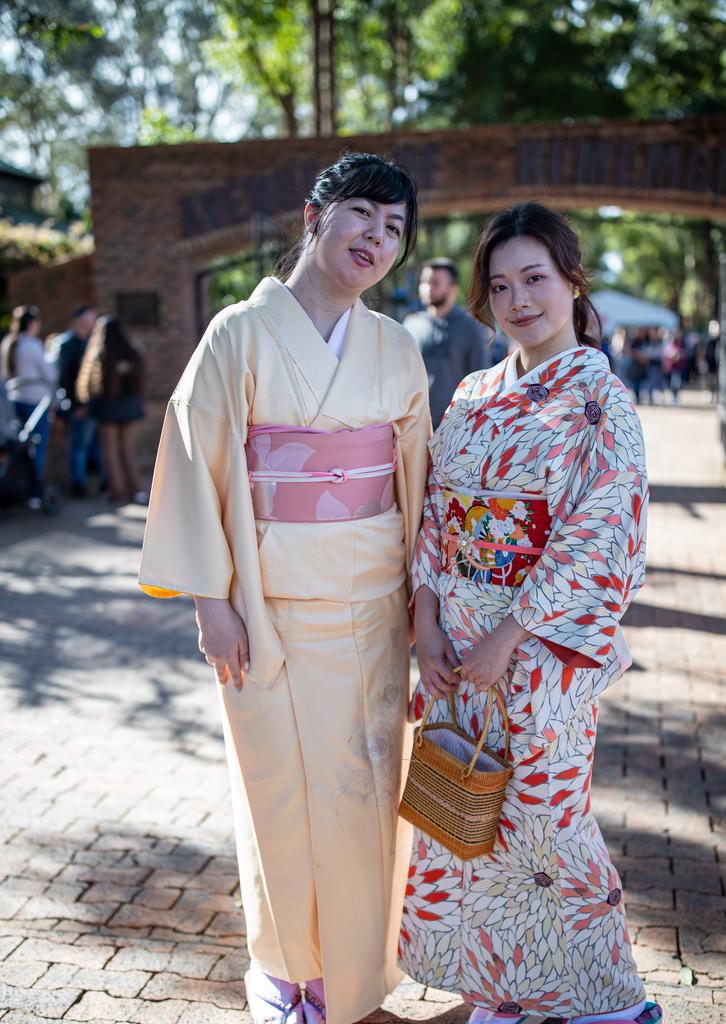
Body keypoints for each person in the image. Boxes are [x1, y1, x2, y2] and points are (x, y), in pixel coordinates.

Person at [138, 152, 431, 1024]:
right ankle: (288, 972)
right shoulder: (238, 332)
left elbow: (416, 480)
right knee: (279, 790)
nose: (377, 240)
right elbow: (199, 461)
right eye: (363, 217)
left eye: (395, 230)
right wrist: (211, 602)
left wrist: (426, 607)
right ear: (314, 218)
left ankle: (359, 976)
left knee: (370, 791)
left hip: (375, 606)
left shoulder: (395, 343)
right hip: (269, 611)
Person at [400, 202, 661, 1024]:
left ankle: (610, 1005)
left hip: (544, 647)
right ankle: (499, 990)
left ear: (571, 281)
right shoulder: (476, 391)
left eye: (535, 280)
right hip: (458, 644)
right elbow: (440, 512)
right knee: (467, 815)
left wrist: (510, 636)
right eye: (501, 284)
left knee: (548, 821)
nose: (519, 301)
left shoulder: (600, 400)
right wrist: (428, 620)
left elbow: (599, 536)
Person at [404, 257, 490, 428]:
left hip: (455, 427)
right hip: (414, 426)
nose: (427, 288)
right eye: (424, 282)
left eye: (435, 283)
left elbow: (481, 382)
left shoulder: (470, 328)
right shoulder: (410, 325)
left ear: (453, 289)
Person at [76, 316, 147, 504]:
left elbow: (90, 387)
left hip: (107, 409)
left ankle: (118, 490)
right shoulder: (133, 352)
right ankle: (138, 490)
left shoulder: (99, 355)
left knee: (111, 452)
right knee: (128, 449)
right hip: (130, 407)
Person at [1, 304, 57, 506]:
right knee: (36, 447)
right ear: (32, 324)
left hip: (15, 401)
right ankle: (35, 490)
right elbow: (50, 374)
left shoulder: (8, 343)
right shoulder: (33, 346)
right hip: (35, 402)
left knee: (19, 447)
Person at [56, 305, 101, 497]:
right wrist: (77, 404)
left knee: (94, 445)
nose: (92, 323)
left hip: (92, 403)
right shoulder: (67, 344)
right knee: (80, 446)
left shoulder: (90, 342)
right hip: (79, 405)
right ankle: (79, 485)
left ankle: (100, 483)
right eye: (90, 318)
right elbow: (65, 377)